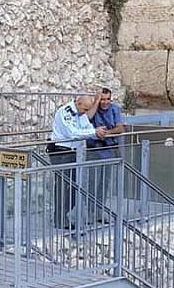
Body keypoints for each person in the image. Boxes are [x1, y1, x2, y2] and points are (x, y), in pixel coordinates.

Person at [47, 95, 106, 229]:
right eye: (84, 109)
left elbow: (86, 126)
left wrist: (94, 132)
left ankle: (63, 215)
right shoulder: (65, 112)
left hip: (73, 152)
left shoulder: (81, 112)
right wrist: (93, 132)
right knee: (63, 187)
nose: (85, 113)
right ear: (78, 103)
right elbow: (72, 133)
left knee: (73, 188)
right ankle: (60, 219)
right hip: (61, 151)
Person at [86, 88, 125, 221]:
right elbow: (87, 119)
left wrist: (106, 133)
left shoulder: (114, 109)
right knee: (92, 182)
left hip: (108, 149)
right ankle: (90, 212)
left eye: (107, 99)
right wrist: (96, 102)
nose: (105, 102)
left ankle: (99, 210)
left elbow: (120, 128)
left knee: (104, 182)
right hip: (93, 150)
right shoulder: (93, 108)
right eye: (102, 99)